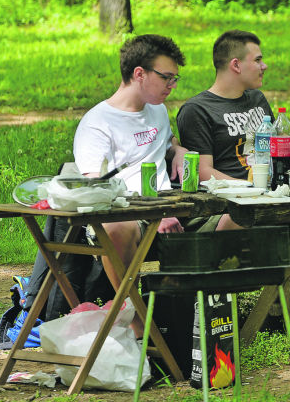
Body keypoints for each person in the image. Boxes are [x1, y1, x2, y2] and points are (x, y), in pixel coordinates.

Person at [72, 35, 226, 335]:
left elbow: (166, 142)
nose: (173, 86)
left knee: (241, 215)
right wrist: (156, 213)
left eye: (175, 78)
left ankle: (206, 310)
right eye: (166, 77)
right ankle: (137, 320)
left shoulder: (155, 108)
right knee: (119, 226)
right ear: (139, 74)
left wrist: (178, 150)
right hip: (128, 210)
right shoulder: (97, 124)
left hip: (171, 205)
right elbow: (97, 190)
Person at [176, 30, 273, 182]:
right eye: (257, 60)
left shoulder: (257, 99)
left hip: (271, 188)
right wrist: (249, 188)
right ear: (236, 65)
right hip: (229, 198)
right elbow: (202, 171)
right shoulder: (197, 110)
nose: (264, 66)